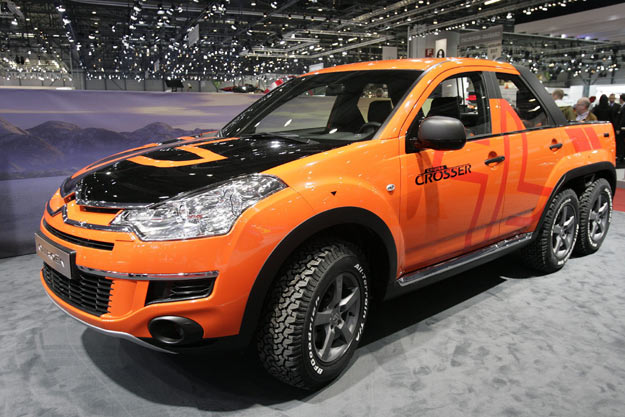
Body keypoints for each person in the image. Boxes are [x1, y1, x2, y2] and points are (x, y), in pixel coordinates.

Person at [616, 93, 625, 163]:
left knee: (621, 142)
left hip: (622, 128)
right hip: (622, 127)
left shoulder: (623, 107)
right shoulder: (622, 106)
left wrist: (619, 128)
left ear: (621, 99)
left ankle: (621, 156)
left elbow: (623, 118)